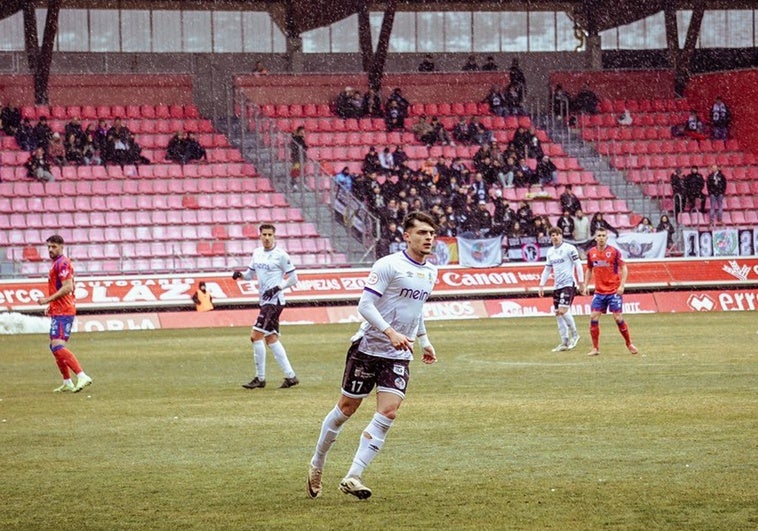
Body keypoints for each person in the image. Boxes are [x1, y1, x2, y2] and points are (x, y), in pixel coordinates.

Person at [307, 211, 438, 500]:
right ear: (407, 235)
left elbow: (416, 311)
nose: (429, 238)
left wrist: (425, 340)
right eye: (422, 232)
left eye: (432, 233)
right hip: (368, 349)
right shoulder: (389, 265)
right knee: (346, 410)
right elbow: (365, 305)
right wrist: (390, 332)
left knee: (388, 411)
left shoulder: (431, 271)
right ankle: (317, 462)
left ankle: (353, 475)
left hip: (398, 354)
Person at [231, 223, 300, 390]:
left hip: (274, 301)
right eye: (264, 235)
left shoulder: (281, 255)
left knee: (255, 336)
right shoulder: (257, 253)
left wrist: (278, 287)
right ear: (260, 236)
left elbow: (293, 278)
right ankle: (291, 376)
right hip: (264, 301)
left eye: (270, 235)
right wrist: (240, 275)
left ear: (274, 236)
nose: (267, 238)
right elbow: (250, 275)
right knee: (271, 339)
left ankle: (260, 378)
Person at [33, 235, 93, 393]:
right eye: (49, 247)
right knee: (54, 346)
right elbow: (70, 284)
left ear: (61, 246)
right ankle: (67, 382)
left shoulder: (62, 263)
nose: (50, 250)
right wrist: (52, 304)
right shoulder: (57, 264)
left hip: (64, 310)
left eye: (53, 247)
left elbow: (68, 287)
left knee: (57, 346)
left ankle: (81, 375)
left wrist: (48, 300)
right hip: (58, 309)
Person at [581, 227, 638, 356]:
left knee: (618, 318)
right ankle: (595, 348)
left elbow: (624, 268)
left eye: (603, 235)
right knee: (593, 317)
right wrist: (585, 285)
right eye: (599, 235)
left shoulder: (614, 252)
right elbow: (589, 269)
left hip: (613, 291)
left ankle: (629, 344)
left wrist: (622, 286)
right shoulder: (591, 253)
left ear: (607, 238)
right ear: (595, 238)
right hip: (599, 292)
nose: (601, 238)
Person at [538, 227, 584, 352]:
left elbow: (578, 264)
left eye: (557, 234)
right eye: (552, 235)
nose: (555, 237)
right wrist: (541, 285)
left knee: (563, 311)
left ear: (561, 235)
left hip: (568, 284)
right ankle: (564, 341)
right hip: (557, 286)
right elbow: (547, 269)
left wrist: (581, 282)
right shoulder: (550, 252)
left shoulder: (569, 248)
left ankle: (575, 335)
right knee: (558, 314)